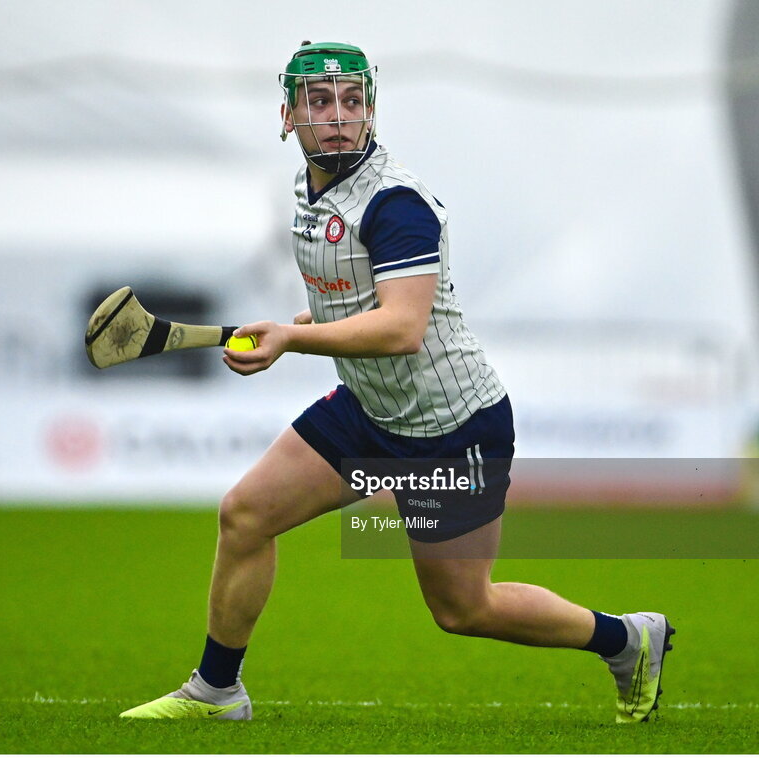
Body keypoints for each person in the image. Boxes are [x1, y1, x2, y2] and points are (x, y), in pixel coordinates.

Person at [120, 41, 673, 725]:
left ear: (370, 111)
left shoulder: (396, 202)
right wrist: (304, 321)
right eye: (319, 102)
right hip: (371, 410)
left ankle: (628, 640)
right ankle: (217, 691)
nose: (337, 117)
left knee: (463, 609)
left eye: (352, 101)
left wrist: (294, 340)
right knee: (246, 514)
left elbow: (403, 328)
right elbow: (354, 299)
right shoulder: (308, 188)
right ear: (288, 115)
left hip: (452, 428)